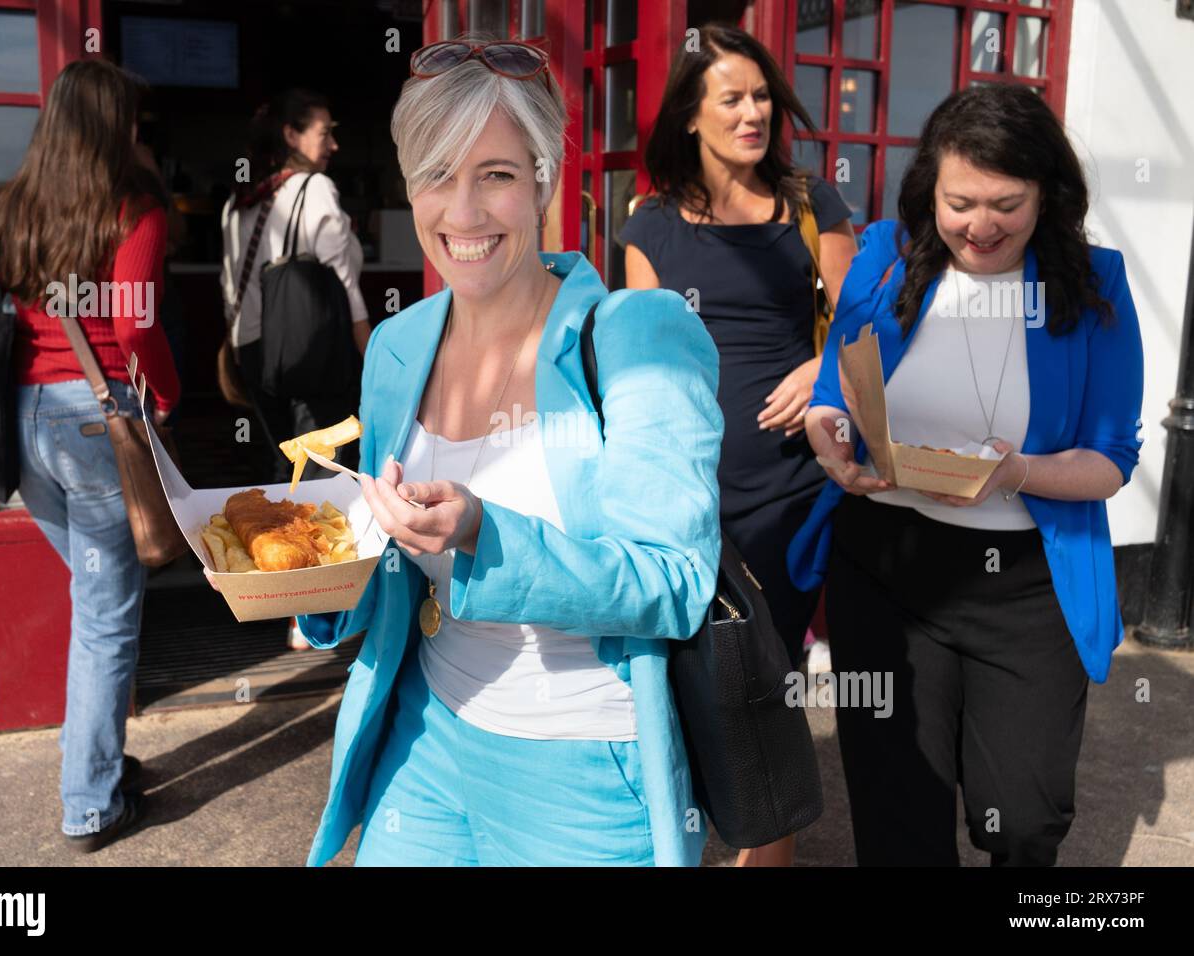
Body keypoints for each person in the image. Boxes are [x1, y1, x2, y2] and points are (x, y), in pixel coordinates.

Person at [288, 33, 724, 866]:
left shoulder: (640, 335)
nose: (463, 214)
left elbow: (674, 583)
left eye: (495, 175)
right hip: (425, 744)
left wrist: (487, 533)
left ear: (543, 181)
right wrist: (311, 576)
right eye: (437, 177)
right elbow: (376, 568)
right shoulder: (395, 347)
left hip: (587, 778)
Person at [788, 83, 1144, 866]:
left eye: (1006, 204)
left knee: (1022, 818)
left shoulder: (1096, 286)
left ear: (1047, 196)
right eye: (960, 202)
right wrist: (831, 442)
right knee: (897, 820)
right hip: (885, 570)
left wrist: (1015, 472)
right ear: (931, 190)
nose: (980, 226)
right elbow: (832, 395)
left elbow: (1112, 461)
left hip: (1025, 587)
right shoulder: (885, 254)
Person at [620, 21, 856, 867]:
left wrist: (821, 371)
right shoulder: (649, 227)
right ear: (691, 114)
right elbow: (636, 363)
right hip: (689, 491)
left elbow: (862, 332)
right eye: (733, 98)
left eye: (762, 96)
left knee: (773, 670)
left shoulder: (810, 204)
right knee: (688, 673)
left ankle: (773, 850)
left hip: (792, 487)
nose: (754, 112)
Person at [0, 59, 181, 852]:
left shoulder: (9, 209)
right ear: (112, 126)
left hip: (26, 422)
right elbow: (136, 329)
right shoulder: (134, 210)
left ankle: (99, 759)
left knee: (95, 603)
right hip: (99, 422)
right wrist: (169, 398)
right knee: (107, 620)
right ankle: (90, 803)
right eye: (130, 122)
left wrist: (8, 388)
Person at [220, 88, 371, 650]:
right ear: (292, 135)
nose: (332, 144)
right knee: (322, 471)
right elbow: (349, 291)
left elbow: (227, 283)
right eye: (323, 132)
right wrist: (372, 357)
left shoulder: (239, 201)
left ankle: (279, 591)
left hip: (256, 353)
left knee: (283, 467)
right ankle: (310, 609)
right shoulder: (318, 190)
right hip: (314, 352)